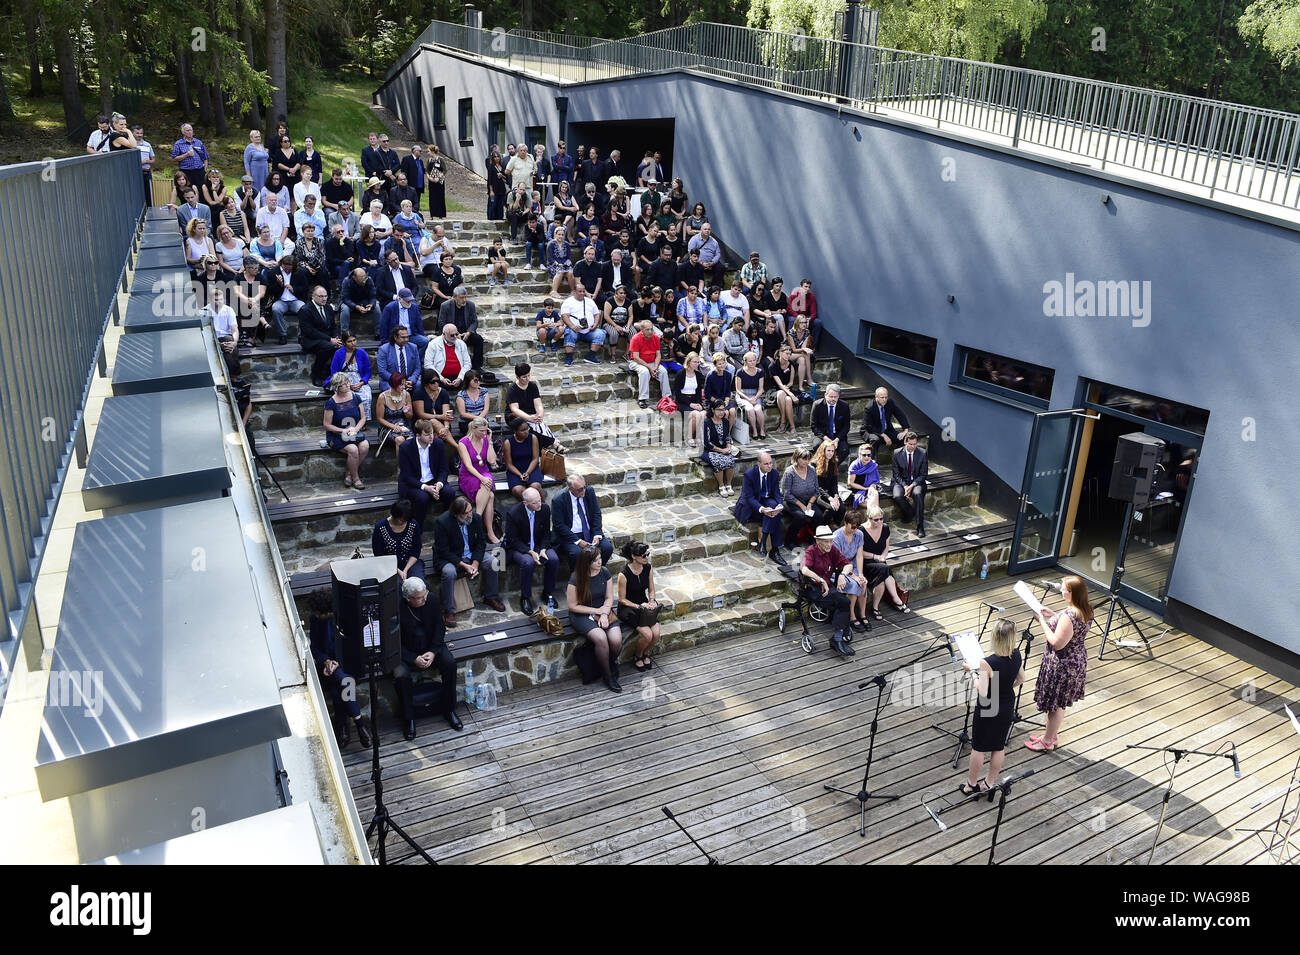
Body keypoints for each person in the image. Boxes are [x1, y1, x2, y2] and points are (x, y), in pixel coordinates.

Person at [1026, 577, 1093, 752]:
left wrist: (1041, 620)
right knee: (1061, 702)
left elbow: (1057, 642)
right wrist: (1053, 615)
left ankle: (1047, 741)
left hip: (1063, 664)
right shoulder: (1085, 609)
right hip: (1076, 659)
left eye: (1064, 589)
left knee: (1055, 704)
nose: (1061, 590)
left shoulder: (1069, 616)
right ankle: (1051, 735)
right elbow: (1071, 628)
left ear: (1072, 593)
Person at [962, 619, 1026, 796]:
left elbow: (982, 692)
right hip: (1006, 704)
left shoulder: (987, 662)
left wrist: (972, 672)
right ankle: (989, 783)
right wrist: (1003, 687)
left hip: (988, 706)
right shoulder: (1017, 654)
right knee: (998, 746)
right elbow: (1021, 679)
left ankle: (971, 785)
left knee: (979, 747)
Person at [395, 576, 462, 738]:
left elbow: (440, 626)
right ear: (408, 598)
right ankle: (409, 718)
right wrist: (413, 659)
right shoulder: (395, 607)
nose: (425, 598)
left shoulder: (430, 599)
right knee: (401, 675)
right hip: (406, 652)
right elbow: (393, 640)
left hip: (431, 646)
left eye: (425, 594)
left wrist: (433, 651)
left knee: (450, 664)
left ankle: (449, 709)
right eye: (420, 598)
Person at [306, 591, 371, 748]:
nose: (315, 615)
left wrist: (338, 663)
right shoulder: (315, 619)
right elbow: (314, 647)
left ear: (328, 611)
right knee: (342, 682)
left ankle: (343, 726)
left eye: (318, 612)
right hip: (328, 665)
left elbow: (354, 646)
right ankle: (359, 724)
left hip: (348, 663)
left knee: (340, 685)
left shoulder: (344, 616)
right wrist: (327, 661)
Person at [433, 494, 506, 628]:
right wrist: (463, 565)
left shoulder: (476, 518)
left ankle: (491, 596)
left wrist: (475, 563)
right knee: (449, 573)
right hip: (451, 557)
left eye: (470, 511)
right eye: (466, 513)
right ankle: (449, 611)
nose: (469, 515)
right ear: (456, 514)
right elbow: (443, 551)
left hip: (471, 553)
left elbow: (480, 543)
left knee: (494, 562)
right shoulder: (443, 522)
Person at [567, 545, 622, 693]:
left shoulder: (604, 572)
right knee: (601, 638)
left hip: (603, 609)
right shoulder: (576, 577)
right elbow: (573, 606)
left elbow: (609, 597)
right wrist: (596, 611)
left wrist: (604, 613)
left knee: (616, 640)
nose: (600, 562)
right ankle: (608, 675)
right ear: (587, 562)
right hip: (582, 613)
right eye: (596, 560)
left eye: (600, 559)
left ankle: (609, 663)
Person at [801, 525, 855, 657]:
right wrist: (821, 580)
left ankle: (837, 637)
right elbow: (804, 569)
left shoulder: (832, 550)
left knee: (842, 602)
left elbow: (848, 564)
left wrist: (842, 574)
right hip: (813, 588)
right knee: (843, 602)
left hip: (827, 588)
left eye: (830, 540)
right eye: (826, 541)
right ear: (818, 541)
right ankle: (837, 638)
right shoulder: (811, 551)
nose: (829, 544)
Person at [504, 488, 558, 615]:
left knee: (554, 559)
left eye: (539, 500)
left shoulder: (544, 509)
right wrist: (530, 552)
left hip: (539, 545)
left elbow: (546, 533)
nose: (539, 504)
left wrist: (543, 549)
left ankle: (548, 593)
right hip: (520, 547)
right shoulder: (514, 513)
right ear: (525, 503)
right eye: (535, 503)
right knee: (528, 562)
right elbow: (513, 540)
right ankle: (525, 597)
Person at [616, 541, 661, 672]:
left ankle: (644, 653)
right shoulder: (623, 574)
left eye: (647, 554)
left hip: (644, 605)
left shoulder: (648, 568)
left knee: (656, 634)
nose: (646, 557)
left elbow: (651, 590)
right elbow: (622, 599)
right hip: (628, 608)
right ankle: (638, 655)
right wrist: (639, 606)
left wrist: (652, 600)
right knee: (647, 635)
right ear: (634, 557)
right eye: (643, 555)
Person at [735, 451, 786, 563]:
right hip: (752, 504)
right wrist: (762, 509)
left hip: (767, 500)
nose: (770, 466)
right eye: (766, 464)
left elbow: (777, 493)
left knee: (774, 510)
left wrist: (779, 505)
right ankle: (775, 550)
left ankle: (764, 540)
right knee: (774, 516)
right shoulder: (749, 474)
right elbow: (749, 498)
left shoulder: (774, 473)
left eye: (771, 463)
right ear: (759, 464)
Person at [859, 505, 910, 616]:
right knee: (885, 569)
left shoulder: (885, 528)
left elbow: (886, 547)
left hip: (880, 561)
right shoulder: (861, 531)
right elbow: (859, 553)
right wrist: (875, 557)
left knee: (882, 578)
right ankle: (896, 599)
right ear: (869, 518)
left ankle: (875, 608)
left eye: (881, 519)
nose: (880, 522)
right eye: (876, 519)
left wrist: (883, 556)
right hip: (866, 563)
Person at [457, 417, 500, 545]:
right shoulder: (463, 442)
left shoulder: (486, 439)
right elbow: (468, 466)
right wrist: (481, 478)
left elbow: (492, 461)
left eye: (486, 431)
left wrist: (490, 441)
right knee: (490, 496)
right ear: (474, 428)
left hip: (484, 472)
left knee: (487, 482)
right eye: (481, 431)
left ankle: (477, 523)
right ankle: (484, 527)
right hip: (469, 475)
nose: (484, 433)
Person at [552, 474, 613, 565]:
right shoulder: (558, 499)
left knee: (607, 548)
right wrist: (578, 541)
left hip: (589, 531)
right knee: (577, 553)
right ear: (570, 489)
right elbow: (559, 525)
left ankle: (596, 573)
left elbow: (596, 513)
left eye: (585, 486)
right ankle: (578, 577)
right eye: (580, 489)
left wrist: (596, 534)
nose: (584, 491)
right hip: (570, 535)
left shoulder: (589, 491)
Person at [323, 372, 370, 489]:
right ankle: (356, 478)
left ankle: (349, 474)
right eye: (344, 384)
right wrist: (342, 431)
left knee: (364, 446)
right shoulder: (331, 402)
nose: (348, 385)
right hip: (336, 435)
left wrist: (356, 429)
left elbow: (363, 417)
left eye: (348, 382)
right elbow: (327, 425)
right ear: (337, 387)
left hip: (354, 432)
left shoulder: (355, 397)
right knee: (353, 449)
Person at [398, 419, 449, 526]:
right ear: (418, 435)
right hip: (414, 484)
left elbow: (444, 469)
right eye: (427, 434)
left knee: (449, 493)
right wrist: (425, 487)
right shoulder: (405, 448)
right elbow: (407, 476)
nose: (431, 437)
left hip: (433, 480)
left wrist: (439, 484)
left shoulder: (438, 444)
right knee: (423, 498)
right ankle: (417, 528)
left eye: (431, 433)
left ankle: (447, 524)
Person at [506, 363, 565, 452]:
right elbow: (515, 409)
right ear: (517, 377)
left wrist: (540, 414)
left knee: (540, 424)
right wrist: (529, 418)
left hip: (531, 413)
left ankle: (548, 447)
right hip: (515, 416)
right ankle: (554, 443)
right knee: (530, 429)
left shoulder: (532, 386)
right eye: (524, 377)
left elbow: (538, 404)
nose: (527, 379)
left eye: (528, 376)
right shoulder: (512, 389)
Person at [831, 509, 872, 631]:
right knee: (855, 584)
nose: (855, 530)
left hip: (852, 565)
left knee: (863, 583)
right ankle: (851, 616)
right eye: (853, 527)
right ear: (845, 523)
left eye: (857, 527)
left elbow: (859, 555)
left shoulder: (859, 534)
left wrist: (860, 574)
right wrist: (854, 577)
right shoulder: (837, 537)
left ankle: (862, 614)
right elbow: (839, 561)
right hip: (839, 569)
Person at [782, 445, 825, 550]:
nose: (806, 462)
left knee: (818, 515)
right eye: (804, 459)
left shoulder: (811, 470)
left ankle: (812, 537)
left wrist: (810, 503)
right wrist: (801, 506)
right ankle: (790, 540)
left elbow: (816, 490)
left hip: (808, 500)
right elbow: (786, 494)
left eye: (808, 459)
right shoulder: (789, 472)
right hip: (792, 501)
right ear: (797, 459)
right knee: (800, 516)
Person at [299, 285, 342, 387]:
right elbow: (309, 331)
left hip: (326, 339)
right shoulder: (305, 310)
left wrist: (336, 338)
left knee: (341, 345)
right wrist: (330, 339)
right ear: (313, 296)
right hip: (310, 339)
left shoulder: (328, 307)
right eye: (321, 296)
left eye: (325, 296)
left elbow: (333, 326)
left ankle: (333, 373)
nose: (324, 299)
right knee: (328, 346)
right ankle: (316, 374)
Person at [373, 498, 425, 582]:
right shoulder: (380, 527)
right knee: (397, 585)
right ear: (394, 515)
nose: (404, 522)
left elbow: (416, 550)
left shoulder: (413, 524)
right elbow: (379, 555)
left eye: (406, 520)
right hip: (388, 565)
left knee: (418, 583)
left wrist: (405, 570)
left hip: (410, 563)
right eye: (401, 520)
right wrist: (398, 571)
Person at [264, 253, 309, 344]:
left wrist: (294, 289)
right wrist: (279, 284)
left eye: (290, 268)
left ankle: (301, 336)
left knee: (304, 309)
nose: (288, 270)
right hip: (281, 300)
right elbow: (270, 290)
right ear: (282, 264)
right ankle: (282, 335)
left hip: (295, 300)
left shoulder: (300, 272)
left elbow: (305, 288)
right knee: (276, 309)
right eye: (286, 268)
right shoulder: (273, 272)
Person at [891, 431, 928, 537]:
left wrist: (912, 486)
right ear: (905, 443)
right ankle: (910, 512)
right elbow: (896, 475)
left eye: (915, 444)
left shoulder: (922, 453)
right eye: (911, 444)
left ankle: (920, 526)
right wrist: (905, 486)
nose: (913, 446)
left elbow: (923, 474)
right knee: (897, 495)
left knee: (917, 494)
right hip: (901, 481)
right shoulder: (896, 453)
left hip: (917, 481)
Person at [438, 287, 485, 372]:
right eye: (461, 297)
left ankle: (476, 366)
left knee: (478, 340)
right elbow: (441, 323)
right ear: (454, 297)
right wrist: (455, 334)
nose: (464, 300)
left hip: (466, 333)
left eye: (465, 297)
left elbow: (474, 321)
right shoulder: (445, 306)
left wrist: (469, 332)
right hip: (451, 334)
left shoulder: (470, 305)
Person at [628, 320, 671, 410]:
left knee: (663, 371)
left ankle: (666, 397)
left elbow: (658, 354)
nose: (650, 331)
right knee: (644, 372)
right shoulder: (635, 338)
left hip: (652, 362)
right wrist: (650, 368)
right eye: (647, 329)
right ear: (642, 330)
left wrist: (655, 367)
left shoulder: (655, 338)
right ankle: (642, 398)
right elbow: (636, 357)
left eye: (651, 329)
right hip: (637, 362)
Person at [329, 332, 372, 418]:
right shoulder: (338, 353)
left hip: (359, 380)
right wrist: (348, 385)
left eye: (354, 340)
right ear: (344, 343)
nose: (353, 343)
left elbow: (368, 371)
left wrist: (361, 383)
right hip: (342, 381)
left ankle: (363, 420)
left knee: (367, 397)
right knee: (349, 397)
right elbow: (334, 372)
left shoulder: (361, 352)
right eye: (349, 341)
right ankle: (353, 420)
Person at [861, 386, 911, 460]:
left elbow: (899, 414)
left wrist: (905, 430)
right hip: (871, 431)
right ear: (876, 397)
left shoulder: (889, 402)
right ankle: (872, 464)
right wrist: (884, 435)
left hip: (886, 429)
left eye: (886, 397)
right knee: (875, 440)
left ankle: (898, 461)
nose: (884, 400)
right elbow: (869, 426)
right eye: (882, 397)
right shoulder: (870, 407)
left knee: (903, 438)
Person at [560, 285, 604, 366]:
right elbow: (564, 316)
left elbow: (597, 314)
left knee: (601, 333)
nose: (582, 293)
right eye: (580, 291)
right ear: (574, 292)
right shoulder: (568, 302)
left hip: (589, 330)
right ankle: (569, 357)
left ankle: (591, 356)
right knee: (569, 333)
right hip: (574, 330)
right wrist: (572, 326)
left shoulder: (590, 301)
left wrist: (595, 324)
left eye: (584, 291)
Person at [703, 399, 738, 497]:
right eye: (719, 410)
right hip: (709, 450)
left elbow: (728, 437)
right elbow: (707, 443)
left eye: (723, 410)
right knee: (718, 460)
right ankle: (721, 485)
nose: (721, 412)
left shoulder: (725, 422)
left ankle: (728, 484)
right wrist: (722, 450)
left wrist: (729, 447)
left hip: (723, 449)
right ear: (713, 410)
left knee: (730, 460)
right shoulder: (707, 423)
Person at [811, 383, 852, 468]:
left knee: (844, 450)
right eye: (831, 396)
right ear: (825, 395)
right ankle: (822, 467)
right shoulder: (817, 405)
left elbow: (846, 426)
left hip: (837, 435)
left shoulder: (844, 406)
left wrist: (837, 439)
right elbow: (814, 426)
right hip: (823, 435)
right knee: (817, 446)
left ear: (838, 396)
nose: (833, 399)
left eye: (835, 397)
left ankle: (832, 468)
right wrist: (825, 438)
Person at [503, 418, 544, 502]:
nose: (526, 432)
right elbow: (509, 464)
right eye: (522, 430)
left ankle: (542, 506)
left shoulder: (533, 438)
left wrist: (528, 473)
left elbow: (535, 458)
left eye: (527, 429)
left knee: (535, 487)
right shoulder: (508, 443)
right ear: (515, 431)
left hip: (531, 468)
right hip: (515, 471)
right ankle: (528, 508)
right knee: (518, 490)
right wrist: (520, 475)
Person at [674, 352, 709, 448]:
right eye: (694, 362)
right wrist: (690, 404)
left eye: (698, 362)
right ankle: (689, 437)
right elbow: (677, 393)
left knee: (703, 414)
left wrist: (698, 404)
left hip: (694, 401)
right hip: (682, 402)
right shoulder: (681, 373)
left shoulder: (698, 375)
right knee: (696, 414)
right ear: (688, 362)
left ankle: (697, 437)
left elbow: (698, 392)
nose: (696, 364)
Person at [426, 323, 471, 393]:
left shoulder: (461, 344)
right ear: (444, 334)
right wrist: (441, 378)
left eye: (456, 334)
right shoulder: (433, 344)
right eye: (452, 335)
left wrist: (460, 378)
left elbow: (467, 363)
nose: (455, 337)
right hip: (440, 377)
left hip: (459, 377)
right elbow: (428, 364)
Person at [207, 288, 241, 380]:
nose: (219, 302)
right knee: (228, 349)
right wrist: (218, 345)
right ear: (210, 299)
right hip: (211, 340)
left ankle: (233, 377)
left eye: (221, 299)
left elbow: (234, 330)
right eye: (216, 300)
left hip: (226, 338)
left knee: (230, 344)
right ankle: (234, 378)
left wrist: (235, 342)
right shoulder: (204, 311)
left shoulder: (229, 310)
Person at [734, 351, 768, 440]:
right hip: (743, 395)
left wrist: (755, 398)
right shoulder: (740, 372)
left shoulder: (760, 371)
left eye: (754, 360)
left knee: (758, 410)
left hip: (755, 394)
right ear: (745, 362)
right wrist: (749, 399)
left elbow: (761, 389)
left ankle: (761, 429)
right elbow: (738, 390)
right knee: (750, 409)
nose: (752, 362)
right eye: (750, 361)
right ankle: (754, 430)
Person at [812, 437, 847, 525]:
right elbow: (817, 486)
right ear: (823, 450)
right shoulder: (814, 464)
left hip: (830, 492)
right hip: (818, 493)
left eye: (832, 451)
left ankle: (835, 525)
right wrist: (830, 499)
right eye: (828, 450)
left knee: (842, 508)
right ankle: (821, 527)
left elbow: (834, 483)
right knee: (830, 508)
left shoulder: (833, 462)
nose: (831, 453)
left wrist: (836, 496)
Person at [768, 344, 801, 434]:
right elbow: (779, 384)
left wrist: (788, 389)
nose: (788, 356)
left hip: (787, 388)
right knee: (782, 394)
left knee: (788, 399)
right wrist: (792, 395)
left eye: (790, 354)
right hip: (774, 390)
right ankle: (783, 421)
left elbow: (791, 382)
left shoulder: (792, 365)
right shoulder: (773, 366)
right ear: (780, 353)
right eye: (786, 353)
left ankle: (792, 426)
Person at [377, 372, 414, 448]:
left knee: (410, 440)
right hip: (387, 428)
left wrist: (406, 412)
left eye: (404, 384)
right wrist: (393, 427)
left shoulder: (406, 395)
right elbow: (379, 418)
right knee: (400, 440)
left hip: (404, 427)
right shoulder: (382, 397)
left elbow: (410, 416)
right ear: (394, 384)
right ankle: (401, 460)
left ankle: (409, 460)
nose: (404, 387)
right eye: (401, 385)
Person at [171, 122, 210, 191]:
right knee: (189, 192)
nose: (190, 132)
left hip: (199, 172)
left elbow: (205, 157)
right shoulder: (178, 143)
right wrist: (186, 155)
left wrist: (204, 170)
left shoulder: (198, 142)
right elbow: (174, 159)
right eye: (187, 130)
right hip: (186, 173)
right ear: (183, 132)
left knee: (202, 191)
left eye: (191, 130)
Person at [704, 352, 737, 427]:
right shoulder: (710, 375)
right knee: (725, 413)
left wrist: (727, 400)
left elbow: (728, 391)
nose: (722, 365)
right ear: (715, 365)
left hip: (723, 399)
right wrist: (718, 403)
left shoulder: (728, 375)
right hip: (713, 400)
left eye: (723, 363)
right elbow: (707, 394)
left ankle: (727, 433)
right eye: (719, 364)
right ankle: (720, 434)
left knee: (732, 411)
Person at [454, 369, 490, 438]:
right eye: (475, 380)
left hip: (482, 420)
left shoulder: (484, 391)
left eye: (479, 380)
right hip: (467, 422)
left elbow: (486, 409)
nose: (478, 382)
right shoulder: (462, 394)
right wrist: (477, 418)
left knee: (483, 430)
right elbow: (463, 413)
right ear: (468, 381)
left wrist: (480, 419)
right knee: (474, 432)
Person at [847, 443, 882, 511]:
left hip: (869, 488)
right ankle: (876, 518)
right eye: (864, 455)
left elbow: (874, 481)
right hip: (857, 489)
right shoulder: (854, 465)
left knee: (875, 493)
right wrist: (865, 488)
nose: (867, 457)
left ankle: (874, 519)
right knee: (872, 505)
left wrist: (871, 487)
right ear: (859, 455)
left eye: (869, 455)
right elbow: (850, 483)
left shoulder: (873, 465)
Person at [687, 222, 725, 287]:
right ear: (701, 230)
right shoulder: (694, 239)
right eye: (705, 229)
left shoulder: (714, 241)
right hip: (698, 262)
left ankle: (713, 287)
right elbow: (690, 252)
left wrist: (712, 262)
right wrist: (701, 262)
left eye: (709, 229)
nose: (707, 231)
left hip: (711, 263)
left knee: (721, 268)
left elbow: (718, 254)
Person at [788, 278, 821, 348]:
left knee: (818, 322)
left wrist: (809, 319)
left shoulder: (811, 297)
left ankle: (812, 346)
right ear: (800, 287)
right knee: (792, 321)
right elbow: (790, 309)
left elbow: (814, 312)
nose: (807, 289)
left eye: (809, 287)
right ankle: (790, 345)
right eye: (805, 286)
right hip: (794, 316)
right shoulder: (793, 295)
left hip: (805, 317)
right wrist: (799, 318)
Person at [787, 314, 815, 392]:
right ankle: (809, 378)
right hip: (788, 354)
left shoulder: (806, 332)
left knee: (802, 359)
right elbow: (793, 349)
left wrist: (805, 350)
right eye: (801, 322)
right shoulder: (791, 333)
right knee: (806, 354)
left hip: (799, 355)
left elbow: (803, 348)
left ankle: (800, 386)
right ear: (797, 323)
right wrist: (806, 350)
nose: (804, 324)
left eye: (805, 322)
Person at [545, 226, 574, 296]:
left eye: (562, 235)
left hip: (565, 265)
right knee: (560, 271)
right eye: (559, 234)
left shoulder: (567, 244)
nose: (561, 236)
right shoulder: (551, 244)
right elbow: (550, 258)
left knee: (570, 273)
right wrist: (558, 264)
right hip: (553, 264)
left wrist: (566, 264)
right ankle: (554, 291)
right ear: (555, 235)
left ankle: (573, 291)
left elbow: (569, 257)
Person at [425, 145, 447, 218]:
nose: (427, 153)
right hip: (432, 181)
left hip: (439, 181)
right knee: (432, 197)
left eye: (428, 151)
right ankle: (433, 214)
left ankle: (440, 214)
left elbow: (444, 170)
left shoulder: (441, 159)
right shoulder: (429, 160)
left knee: (440, 196)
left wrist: (439, 177)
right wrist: (429, 177)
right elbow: (427, 170)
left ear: (432, 151)